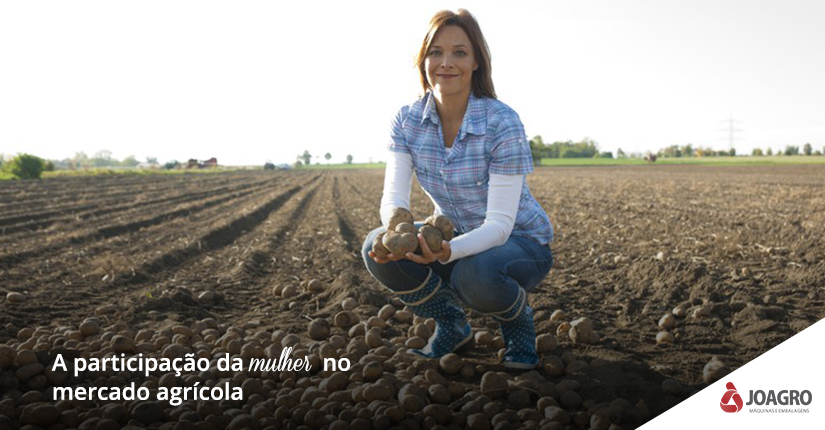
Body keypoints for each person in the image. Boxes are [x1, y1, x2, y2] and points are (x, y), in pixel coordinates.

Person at [361, 9, 553, 370]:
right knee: (376, 247)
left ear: (476, 62)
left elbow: (499, 225)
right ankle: (452, 323)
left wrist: (446, 253)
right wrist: (396, 234)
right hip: (456, 237)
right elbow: (394, 199)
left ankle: (518, 326)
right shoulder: (407, 121)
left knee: (474, 273)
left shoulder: (502, 121)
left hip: (520, 242)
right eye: (436, 52)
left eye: (460, 52)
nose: (446, 63)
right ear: (423, 60)